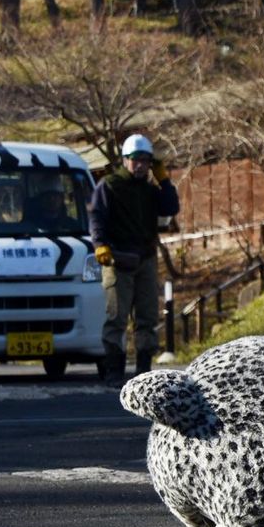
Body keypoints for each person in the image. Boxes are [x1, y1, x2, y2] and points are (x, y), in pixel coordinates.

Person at [89, 134, 179, 384]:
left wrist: (164, 180)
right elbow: (96, 216)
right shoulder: (110, 185)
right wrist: (100, 245)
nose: (140, 165)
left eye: (145, 160)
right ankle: (114, 370)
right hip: (117, 259)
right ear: (125, 160)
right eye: (135, 160)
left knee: (147, 317)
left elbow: (170, 208)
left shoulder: (151, 190)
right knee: (116, 317)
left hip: (145, 258)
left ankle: (143, 369)